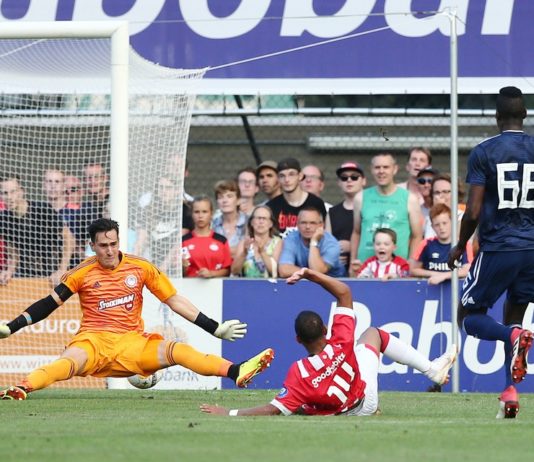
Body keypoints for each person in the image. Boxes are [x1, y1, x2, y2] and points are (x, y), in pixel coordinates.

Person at [0, 218, 273, 400]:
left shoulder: (140, 267)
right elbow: (48, 304)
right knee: (66, 364)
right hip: (93, 341)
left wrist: (214, 327)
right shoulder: (81, 272)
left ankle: (236, 371)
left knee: (179, 350)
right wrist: (12, 327)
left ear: (119, 241)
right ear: (92, 246)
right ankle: (22, 387)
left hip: (132, 344)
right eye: (103, 246)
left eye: (114, 244)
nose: (109, 251)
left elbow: (174, 300)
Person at [200, 267, 456, 416]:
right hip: (365, 399)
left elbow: (273, 409)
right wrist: (310, 274)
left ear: (298, 340)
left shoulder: (299, 372)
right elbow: (344, 292)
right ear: (325, 329)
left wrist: (230, 412)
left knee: (297, 403)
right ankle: (431, 369)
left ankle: (433, 370)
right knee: (373, 334)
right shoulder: (341, 340)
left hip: (344, 412)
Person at [448, 86, 534, 419]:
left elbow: (472, 210)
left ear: (496, 116)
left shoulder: (484, 152)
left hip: (499, 246)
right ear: (524, 114)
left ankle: (512, 336)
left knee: (468, 317)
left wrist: (460, 244)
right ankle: (509, 395)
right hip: (531, 248)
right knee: (515, 318)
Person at [349, 153, 422, 275]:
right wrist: (353, 260)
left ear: (395, 169)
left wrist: (411, 263)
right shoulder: (360, 198)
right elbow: (356, 232)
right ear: (372, 170)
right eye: (377, 167)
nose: (381, 171)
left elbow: (417, 236)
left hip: (397, 270)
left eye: (386, 167)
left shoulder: (409, 199)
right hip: (365, 269)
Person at [0, 174, 74, 285]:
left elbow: (69, 238)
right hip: (25, 275)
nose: (9, 197)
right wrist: (9, 271)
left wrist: (62, 269)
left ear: (22, 191)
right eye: (5, 193)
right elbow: (13, 253)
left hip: (51, 273)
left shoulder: (42, 210)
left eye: (13, 192)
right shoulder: (4, 218)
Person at [411, 204, 472, 285]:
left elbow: (467, 270)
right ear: (432, 227)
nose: (441, 227)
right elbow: (413, 269)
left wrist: (444, 276)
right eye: (437, 225)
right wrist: (436, 274)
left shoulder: (464, 244)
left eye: (444, 223)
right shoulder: (425, 244)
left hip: (457, 289)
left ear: (452, 222)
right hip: (431, 288)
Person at [278, 207, 345, 278]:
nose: (307, 227)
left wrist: (314, 242)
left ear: (321, 225)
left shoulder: (331, 244)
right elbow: (284, 270)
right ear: (297, 224)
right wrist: (308, 273)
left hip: (334, 281)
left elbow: (318, 272)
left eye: (312, 223)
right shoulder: (292, 238)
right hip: (302, 281)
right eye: (303, 223)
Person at [266, 158, 326, 235]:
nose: (287, 180)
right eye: (282, 176)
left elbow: (324, 232)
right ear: (278, 179)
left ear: (300, 176)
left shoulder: (316, 203)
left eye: (291, 174)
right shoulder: (272, 206)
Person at [134, 175, 183, 268]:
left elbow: (178, 243)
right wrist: (132, 263)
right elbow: (141, 240)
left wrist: (163, 267)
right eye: (161, 187)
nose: (163, 191)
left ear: (176, 190)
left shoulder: (183, 211)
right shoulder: (148, 210)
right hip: (152, 261)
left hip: (176, 265)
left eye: (168, 188)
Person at [326, 161, 366, 273]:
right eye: (344, 178)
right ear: (339, 182)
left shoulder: (370, 209)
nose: (349, 180)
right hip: (339, 270)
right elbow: (327, 243)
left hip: (365, 266)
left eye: (354, 177)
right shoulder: (332, 212)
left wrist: (351, 246)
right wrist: (334, 254)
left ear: (363, 181)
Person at [181, 195, 232, 278]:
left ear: (211, 214)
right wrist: (183, 267)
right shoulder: (183, 241)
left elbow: (227, 270)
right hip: (190, 285)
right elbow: (180, 272)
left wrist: (211, 274)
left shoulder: (221, 241)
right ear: (191, 214)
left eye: (204, 212)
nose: (200, 216)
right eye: (196, 212)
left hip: (216, 285)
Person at [231, 205, 282, 278]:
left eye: (264, 218)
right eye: (258, 218)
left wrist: (262, 252)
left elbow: (275, 272)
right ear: (251, 222)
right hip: (246, 284)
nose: (261, 221)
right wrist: (244, 253)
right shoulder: (244, 243)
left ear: (271, 223)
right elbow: (234, 271)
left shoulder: (277, 242)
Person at [211, 179, 247, 258]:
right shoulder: (212, 224)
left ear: (238, 200)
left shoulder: (248, 222)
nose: (224, 201)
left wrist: (218, 250)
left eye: (229, 196)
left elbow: (248, 251)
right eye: (220, 197)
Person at [416, 167, 439, 238]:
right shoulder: (416, 210)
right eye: (422, 181)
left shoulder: (446, 209)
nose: (426, 185)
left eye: (430, 181)